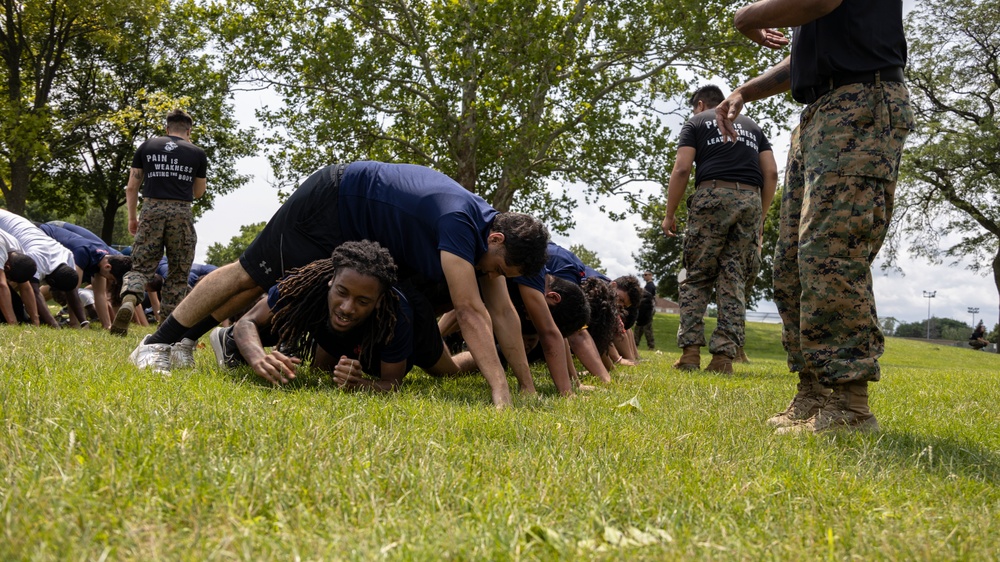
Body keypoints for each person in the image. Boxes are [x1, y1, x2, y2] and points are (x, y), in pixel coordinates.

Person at [127, 161, 548, 408]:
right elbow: (472, 312)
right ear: (496, 239)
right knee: (254, 273)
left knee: (270, 282)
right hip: (334, 199)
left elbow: (503, 313)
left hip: (358, 221)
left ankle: (187, 343)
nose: (492, 276)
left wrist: (525, 386)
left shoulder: (487, 235)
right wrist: (499, 391)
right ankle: (156, 343)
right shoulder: (460, 223)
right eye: (497, 268)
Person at [716, 0, 913, 432]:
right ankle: (815, 392)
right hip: (821, 112)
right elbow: (806, 56)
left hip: (862, 103)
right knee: (792, 262)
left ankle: (849, 404)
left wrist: (746, 16)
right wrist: (744, 91)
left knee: (831, 252)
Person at [206, 240, 473, 389]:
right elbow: (247, 321)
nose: (347, 307)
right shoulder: (308, 283)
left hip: (415, 326)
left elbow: (391, 383)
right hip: (339, 334)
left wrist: (359, 385)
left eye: (362, 300)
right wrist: (257, 359)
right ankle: (227, 342)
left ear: (378, 301)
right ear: (331, 281)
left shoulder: (397, 315)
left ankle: (492, 355)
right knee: (322, 373)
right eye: (342, 292)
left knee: (451, 373)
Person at [662, 84, 777, 375]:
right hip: (750, 200)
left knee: (696, 276)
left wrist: (670, 213)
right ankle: (724, 358)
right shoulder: (753, 126)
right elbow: (772, 173)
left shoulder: (696, 122)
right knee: (734, 278)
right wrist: (760, 219)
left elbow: (682, 169)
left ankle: (689, 354)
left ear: (700, 104)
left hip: (712, 196)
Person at [112, 108, 208, 337]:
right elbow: (198, 192)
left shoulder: (147, 146)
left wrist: (133, 218)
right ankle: (165, 331)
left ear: (166, 128)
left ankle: (130, 297)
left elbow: (131, 187)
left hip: (151, 209)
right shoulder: (197, 153)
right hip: (181, 212)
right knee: (177, 272)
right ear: (189, 130)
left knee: (141, 266)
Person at [0, 209, 85, 328]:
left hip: (12, 223)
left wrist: (83, 322)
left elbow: (26, 286)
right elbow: (30, 291)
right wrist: (53, 324)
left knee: (17, 308)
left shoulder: (67, 255)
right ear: (51, 282)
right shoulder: (34, 256)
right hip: (8, 223)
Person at [38, 222, 132, 330]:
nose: (109, 281)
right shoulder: (83, 253)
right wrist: (75, 323)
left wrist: (107, 325)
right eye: (110, 279)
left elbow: (100, 295)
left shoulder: (103, 259)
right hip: (43, 234)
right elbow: (72, 290)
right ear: (107, 267)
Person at [0, 228, 38, 324]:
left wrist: (35, 320)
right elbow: (2, 285)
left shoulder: (17, 250)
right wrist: (12, 322)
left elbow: (25, 287)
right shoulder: (1, 253)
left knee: (17, 306)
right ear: (7, 268)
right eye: (8, 277)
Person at [634, 271, 657, 350]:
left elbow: (647, 299)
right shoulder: (647, 286)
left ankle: (651, 346)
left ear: (651, 275)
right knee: (639, 328)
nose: (644, 276)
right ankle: (635, 345)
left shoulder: (650, 286)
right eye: (643, 275)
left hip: (647, 311)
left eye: (646, 275)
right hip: (643, 311)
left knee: (647, 329)